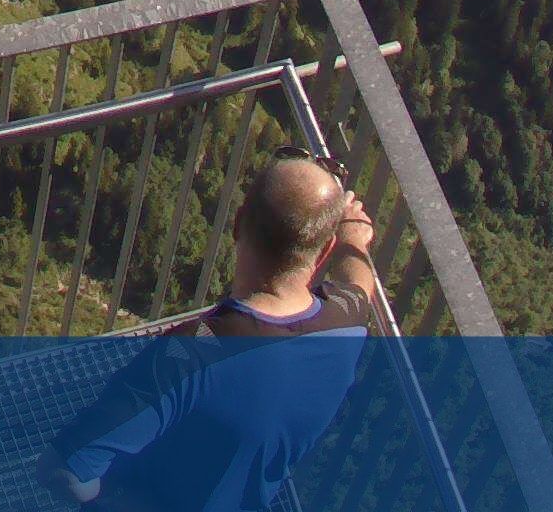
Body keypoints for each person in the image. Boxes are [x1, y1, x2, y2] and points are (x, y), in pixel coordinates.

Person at [50, 150, 383, 509]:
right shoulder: (346, 324)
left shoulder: (186, 357)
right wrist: (353, 239)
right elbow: (359, 280)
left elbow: (66, 471)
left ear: (238, 223)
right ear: (324, 251)